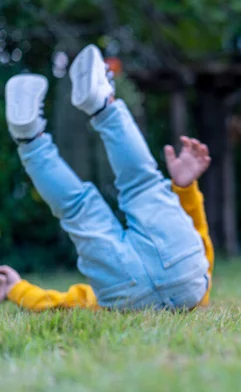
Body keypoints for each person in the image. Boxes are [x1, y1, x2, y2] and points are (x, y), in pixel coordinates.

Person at [0, 44, 214, 311]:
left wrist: (17, 289)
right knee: (81, 208)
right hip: (137, 290)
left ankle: (90, 111)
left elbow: (57, 302)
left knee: (137, 184)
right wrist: (185, 190)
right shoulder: (103, 295)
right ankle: (31, 138)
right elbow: (60, 304)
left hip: (175, 278)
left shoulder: (98, 297)